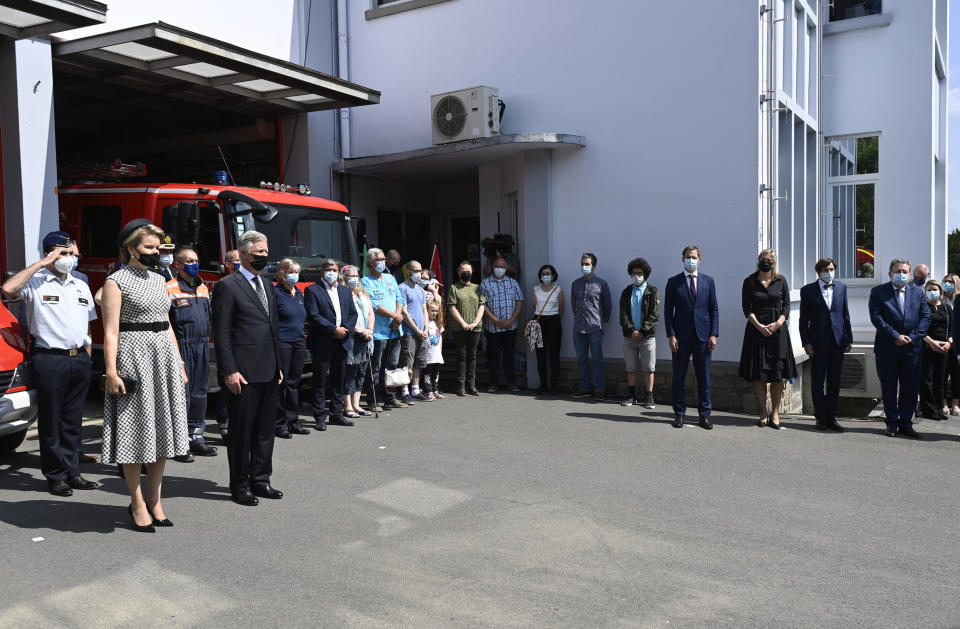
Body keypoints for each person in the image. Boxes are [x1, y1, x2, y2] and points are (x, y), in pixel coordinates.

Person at [100, 220, 190, 531]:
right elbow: (110, 332)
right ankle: (137, 503)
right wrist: (111, 371)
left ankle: (155, 499)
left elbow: (167, 323)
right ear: (130, 248)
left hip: (163, 356)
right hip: (133, 356)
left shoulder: (158, 278)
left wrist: (178, 363)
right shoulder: (115, 282)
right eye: (149, 248)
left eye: (158, 248)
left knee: (162, 430)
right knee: (134, 433)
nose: (156, 253)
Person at [1, 231, 98, 497]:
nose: (68, 259)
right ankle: (55, 476)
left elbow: (87, 323)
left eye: (70, 254)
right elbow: (9, 290)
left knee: (72, 421)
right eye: (61, 253)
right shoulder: (36, 281)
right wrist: (42, 264)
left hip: (78, 358)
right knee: (51, 420)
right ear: (48, 253)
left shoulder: (80, 285)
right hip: (49, 358)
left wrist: (86, 356)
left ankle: (72, 472)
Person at [211, 230, 285, 505]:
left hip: (268, 369)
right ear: (244, 254)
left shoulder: (267, 284)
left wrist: (278, 364)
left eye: (266, 252)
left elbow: (272, 327)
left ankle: (261, 479)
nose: (264, 257)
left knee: (265, 432)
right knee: (241, 434)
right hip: (242, 373)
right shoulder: (228, 286)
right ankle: (240, 485)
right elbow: (221, 333)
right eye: (259, 253)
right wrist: (229, 370)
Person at [869, 258, 930, 439]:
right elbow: (876, 317)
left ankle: (906, 424)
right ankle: (892, 423)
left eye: (905, 271)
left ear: (909, 274)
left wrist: (912, 337)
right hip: (888, 348)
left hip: (913, 349)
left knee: (910, 388)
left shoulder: (918, 292)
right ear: (890, 274)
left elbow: (925, 318)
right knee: (889, 388)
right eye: (898, 271)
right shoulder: (879, 292)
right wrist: (895, 336)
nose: (902, 274)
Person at [166, 247, 217, 460]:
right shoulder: (169, 288)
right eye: (188, 261)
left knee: (200, 393)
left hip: (202, 345)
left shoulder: (203, 288)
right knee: (181, 396)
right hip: (182, 347)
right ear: (177, 265)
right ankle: (178, 443)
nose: (194, 264)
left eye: (196, 260)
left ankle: (196, 437)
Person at [738, 249, 797, 430]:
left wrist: (777, 324)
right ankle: (763, 411)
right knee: (760, 375)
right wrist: (760, 327)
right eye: (763, 259)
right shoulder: (750, 281)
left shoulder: (781, 280)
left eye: (769, 260)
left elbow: (786, 306)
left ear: (774, 262)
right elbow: (746, 308)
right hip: (756, 331)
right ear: (758, 261)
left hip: (777, 332)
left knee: (777, 376)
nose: (766, 262)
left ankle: (776, 412)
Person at [663, 245, 719, 430]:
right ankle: (679, 413)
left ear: (699, 260)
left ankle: (704, 415)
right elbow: (667, 311)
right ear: (682, 259)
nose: (691, 260)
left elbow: (714, 310)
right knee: (679, 377)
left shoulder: (708, 281)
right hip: (681, 337)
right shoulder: (673, 282)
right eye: (688, 257)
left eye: (694, 257)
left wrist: (714, 333)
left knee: (704, 378)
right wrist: (671, 334)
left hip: (703, 337)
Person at [798, 257, 853, 432]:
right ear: (818, 272)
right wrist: (805, 341)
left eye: (831, 269)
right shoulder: (807, 290)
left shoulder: (842, 287)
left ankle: (832, 416)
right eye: (825, 270)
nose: (829, 273)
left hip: (838, 341)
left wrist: (848, 338)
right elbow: (803, 319)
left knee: (835, 381)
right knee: (817, 381)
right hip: (818, 342)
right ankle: (820, 417)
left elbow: (845, 314)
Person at [305, 258, 358, 429]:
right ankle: (320, 416)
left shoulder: (344, 290)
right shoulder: (312, 290)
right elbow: (313, 315)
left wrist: (345, 330)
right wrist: (332, 330)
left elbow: (353, 313)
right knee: (320, 380)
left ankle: (336, 414)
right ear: (322, 271)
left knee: (339, 380)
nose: (332, 272)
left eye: (335, 270)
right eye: (328, 269)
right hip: (322, 341)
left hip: (342, 341)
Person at [362, 248, 407, 409]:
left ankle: (390, 396)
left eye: (383, 259)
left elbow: (399, 297)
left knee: (392, 365)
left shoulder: (389, 278)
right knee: (376, 367)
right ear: (371, 262)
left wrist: (398, 315)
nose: (382, 262)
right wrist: (394, 316)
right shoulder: (365, 281)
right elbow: (373, 304)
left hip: (395, 329)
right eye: (379, 259)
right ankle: (373, 399)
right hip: (379, 331)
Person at [273, 259, 310, 438]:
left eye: (297, 272)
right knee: (283, 383)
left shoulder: (299, 293)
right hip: (283, 342)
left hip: (299, 341)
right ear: (282, 273)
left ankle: (293, 421)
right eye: (291, 271)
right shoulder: (276, 292)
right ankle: (279, 424)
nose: (295, 275)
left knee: (295, 382)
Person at [617, 258, 659, 408]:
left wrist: (641, 331)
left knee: (648, 368)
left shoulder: (652, 291)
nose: (636, 276)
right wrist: (631, 330)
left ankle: (649, 397)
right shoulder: (626, 292)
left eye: (639, 273)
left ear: (645, 274)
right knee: (631, 368)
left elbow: (654, 315)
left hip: (647, 337)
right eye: (634, 273)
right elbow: (623, 314)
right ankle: (631, 396)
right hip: (629, 336)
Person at [570, 253, 612, 399]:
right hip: (578, 328)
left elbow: (607, 305)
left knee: (597, 359)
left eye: (587, 264)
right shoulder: (575, 284)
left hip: (595, 327)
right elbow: (573, 305)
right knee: (581, 359)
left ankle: (599, 389)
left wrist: (602, 320)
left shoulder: (601, 284)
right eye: (582, 263)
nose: (584, 266)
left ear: (593, 266)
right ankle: (584, 387)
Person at [481, 256, 524, 393]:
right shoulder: (485, 284)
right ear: (493, 267)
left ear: (506, 268)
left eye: (502, 267)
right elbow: (482, 304)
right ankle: (493, 382)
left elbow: (520, 301)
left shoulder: (513, 283)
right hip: (492, 327)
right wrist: (495, 319)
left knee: (508, 355)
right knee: (493, 356)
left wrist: (512, 319)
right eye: (497, 266)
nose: (500, 269)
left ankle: (511, 382)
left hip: (510, 327)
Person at [213, 250, 242, 438]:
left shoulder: (248, 283)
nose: (240, 263)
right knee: (227, 385)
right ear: (228, 264)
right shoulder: (222, 285)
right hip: (229, 343)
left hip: (244, 345)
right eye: (237, 260)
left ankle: (238, 421)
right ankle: (224, 423)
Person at [446, 260, 485, 396]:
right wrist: (463, 323)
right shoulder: (454, 288)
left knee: (472, 356)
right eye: (464, 271)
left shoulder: (477, 287)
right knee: (461, 356)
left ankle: (472, 385)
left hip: (475, 327)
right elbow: (451, 306)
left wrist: (475, 322)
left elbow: (482, 305)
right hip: (459, 327)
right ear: (458, 272)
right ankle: (460, 385)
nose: (466, 273)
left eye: (468, 271)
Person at [342, 265, 375, 417]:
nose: (354, 278)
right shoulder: (343, 294)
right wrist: (360, 331)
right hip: (352, 337)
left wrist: (369, 330)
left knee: (362, 372)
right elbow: (345, 318)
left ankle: (356, 405)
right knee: (350, 372)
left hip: (366, 337)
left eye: (356, 276)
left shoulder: (362, 294)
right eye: (351, 276)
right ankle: (347, 405)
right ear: (344, 277)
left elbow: (370, 313)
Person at [398, 259, 432, 403]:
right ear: (409, 271)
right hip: (409, 332)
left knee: (419, 362)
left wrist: (425, 328)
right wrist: (417, 330)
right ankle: (405, 392)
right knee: (408, 363)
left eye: (420, 271)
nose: (418, 274)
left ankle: (416, 390)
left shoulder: (420, 289)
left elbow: (425, 310)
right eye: (416, 271)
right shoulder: (402, 288)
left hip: (421, 332)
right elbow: (404, 312)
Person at [918, 280, 952, 420]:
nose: (933, 292)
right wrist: (932, 343)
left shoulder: (946, 307)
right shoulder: (923, 307)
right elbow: (919, 328)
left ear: (940, 291)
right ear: (925, 291)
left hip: (944, 348)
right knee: (927, 379)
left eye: (935, 289)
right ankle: (929, 410)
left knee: (941, 379)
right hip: (927, 346)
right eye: (930, 289)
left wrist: (949, 342)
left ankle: (939, 409)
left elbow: (952, 328)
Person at [532, 264, 564, 394]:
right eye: (544, 273)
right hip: (539, 322)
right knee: (540, 355)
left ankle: (554, 384)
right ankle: (543, 383)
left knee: (554, 355)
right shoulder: (535, 289)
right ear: (540, 276)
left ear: (553, 275)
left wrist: (555, 320)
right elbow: (535, 307)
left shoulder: (558, 289)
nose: (546, 276)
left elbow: (562, 309)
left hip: (554, 321)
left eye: (548, 274)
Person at [942, 274, 960, 416]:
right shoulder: (939, 300)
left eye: (951, 282)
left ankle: (955, 404)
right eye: (945, 281)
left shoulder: (958, 300)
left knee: (957, 375)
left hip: (957, 345)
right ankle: (943, 403)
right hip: (943, 344)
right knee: (942, 374)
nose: (947, 284)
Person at [423, 301, 445, 399]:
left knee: (436, 373)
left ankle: (435, 390)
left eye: (436, 311)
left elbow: (440, 338)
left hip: (436, 353)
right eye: (432, 310)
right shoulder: (425, 323)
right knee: (428, 372)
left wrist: (440, 351)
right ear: (427, 310)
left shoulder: (438, 323)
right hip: (428, 353)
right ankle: (428, 391)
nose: (434, 313)